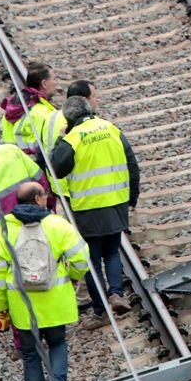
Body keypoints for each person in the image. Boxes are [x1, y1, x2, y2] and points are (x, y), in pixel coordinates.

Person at [0, 181, 88, 381]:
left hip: (23, 308)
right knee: (57, 344)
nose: (46, 198)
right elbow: (81, 259)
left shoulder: (5, 230)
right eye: (44, 195)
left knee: (31, 355)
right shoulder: (57, 225)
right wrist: (73, 279)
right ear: (37, 200)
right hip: (55, 303)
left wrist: (1, 308)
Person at [50, 84, 139, 326]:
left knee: (91, 260)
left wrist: (60, 139)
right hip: (116, 203)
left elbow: (57, 168)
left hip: (88, 208)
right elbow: (132, 163)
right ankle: (117, 294)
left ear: (69, 118)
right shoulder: (111, 128)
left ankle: (101, 311)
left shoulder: (73, 138)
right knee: (112, 251)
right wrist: (133, 197)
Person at [0, 63, 68, 173]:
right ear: (44, 84)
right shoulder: (44, 113)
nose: (56, 83)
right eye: (54, 79)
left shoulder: (11, 109)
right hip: (38, 172)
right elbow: (52, 150)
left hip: (17, 169)